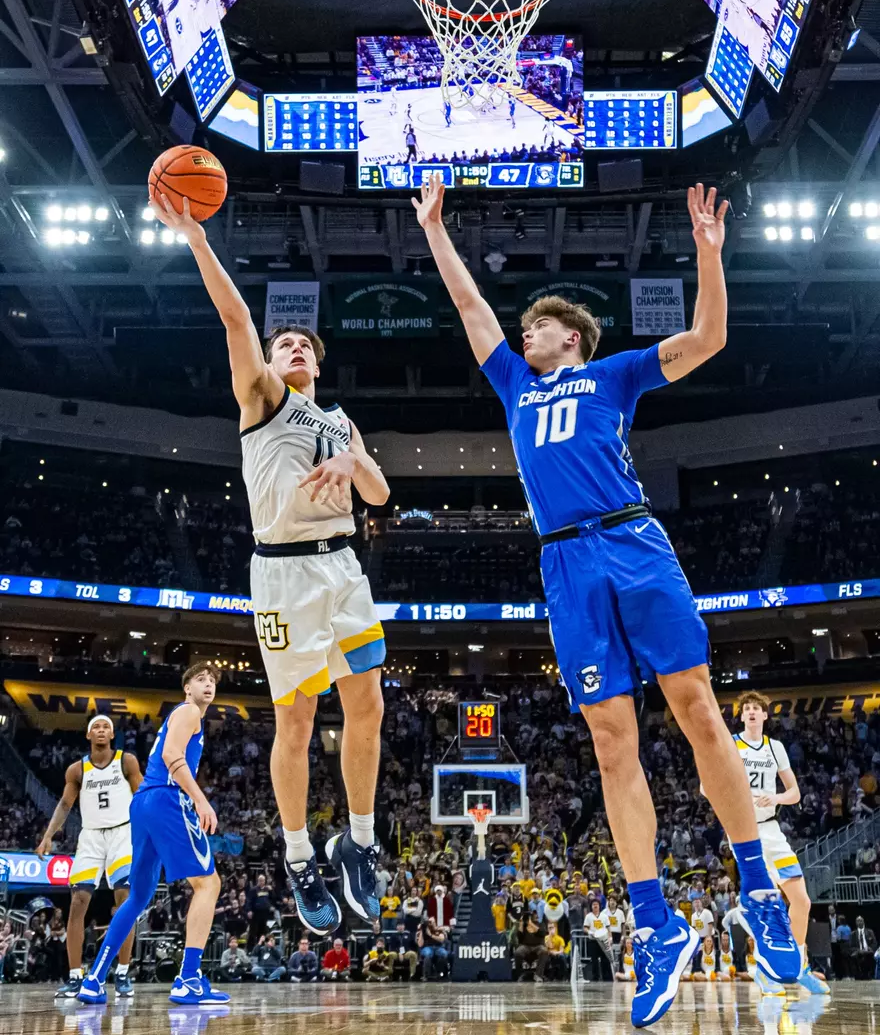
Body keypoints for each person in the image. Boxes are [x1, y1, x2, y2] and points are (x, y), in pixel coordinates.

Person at [413, 174, 800, 1027]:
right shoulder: (516, 382)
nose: (524, 331)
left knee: (698, 709)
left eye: (538, 325)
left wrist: (707, 253)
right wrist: (435, 229)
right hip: (565, 567)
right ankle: (656, 924)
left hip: (631, 542)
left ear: (573, 337)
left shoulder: (615, 374)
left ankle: (758, 887)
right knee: (610, 744)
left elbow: (708, 337)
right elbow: (471, 306)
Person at [152, 195, 389, 938]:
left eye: (302, 345)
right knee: (297, 721)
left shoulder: (339, 419)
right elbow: (235, 321)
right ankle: (295, 857)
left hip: (345, 568)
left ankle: (358, 841)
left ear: (319, 361)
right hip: (283, 576)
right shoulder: (262, 398)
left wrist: (353, 460)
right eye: (282, 342)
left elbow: (380, 492)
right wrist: (195, 236)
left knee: (370, 706)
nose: (290, 349)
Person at [77, 664, 229, 1005]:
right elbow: (171, 754)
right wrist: (200, 800)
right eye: (200, 680)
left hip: (143, 803)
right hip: (165, 797)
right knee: (209, 884)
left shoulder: (185, 715)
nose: (208, 685)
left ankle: (94, 978)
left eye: (212, 681)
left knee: (138, 896)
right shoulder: (189, 711)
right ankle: (188, 978)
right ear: (187, 688)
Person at [731, 691, 829, 996]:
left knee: (801, 901)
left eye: (755, 709)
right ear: (741, 715)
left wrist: (775, 798)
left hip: (772, 831)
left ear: (764, 716)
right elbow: (708, 787)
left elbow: (795, 793)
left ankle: (798, 968)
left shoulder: (775, 748)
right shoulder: (731, 745)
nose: (750, 712)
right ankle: (763, 969)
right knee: (763, 904)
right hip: (744, 832)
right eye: (746, 708)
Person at [38, 715, 142, 999]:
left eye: (106, 727)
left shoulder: (126, 761)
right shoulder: (77, 769)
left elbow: (143, 797)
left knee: (125, 900)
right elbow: (64, 804)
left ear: (112, 735)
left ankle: (122, 972)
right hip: (91, 837)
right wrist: (48, 835)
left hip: (123, 835)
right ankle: (75, 976)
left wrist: (150, 835)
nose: (101, 730)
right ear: (87, 735)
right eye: (96, 726)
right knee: (77, 901)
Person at [514, 912, 548, 982]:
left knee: (544, 950)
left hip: (538, 946)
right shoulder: (524, 925)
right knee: (518, 952)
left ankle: (538, 975)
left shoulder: (540, 924)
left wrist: (531, 924)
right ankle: (520, 974)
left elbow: (543, 933)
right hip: (526, 946)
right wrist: (521, 923)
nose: (531, 917)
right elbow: (519, 938)